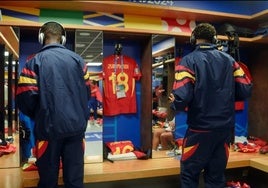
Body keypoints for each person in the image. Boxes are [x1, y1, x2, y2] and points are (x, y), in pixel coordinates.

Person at [169, 23, 252, 188]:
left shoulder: (188, 61)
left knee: (189, 176)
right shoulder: (230, 61)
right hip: (224, 131)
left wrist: (174, 102)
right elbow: (245, 90)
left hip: (199, 129)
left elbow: (181, 98)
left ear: (194, 39)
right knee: (216, 177)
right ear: (214, 39)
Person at [16, 21, 90, 188]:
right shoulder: (79, 61)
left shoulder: (33, 63)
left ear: (41, 37)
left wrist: (41, 114)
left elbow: (25, 98)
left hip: (48, 131)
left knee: (48, 181)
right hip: (76, 131)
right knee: (75, 182)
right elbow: (87, 94)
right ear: (62, 39)